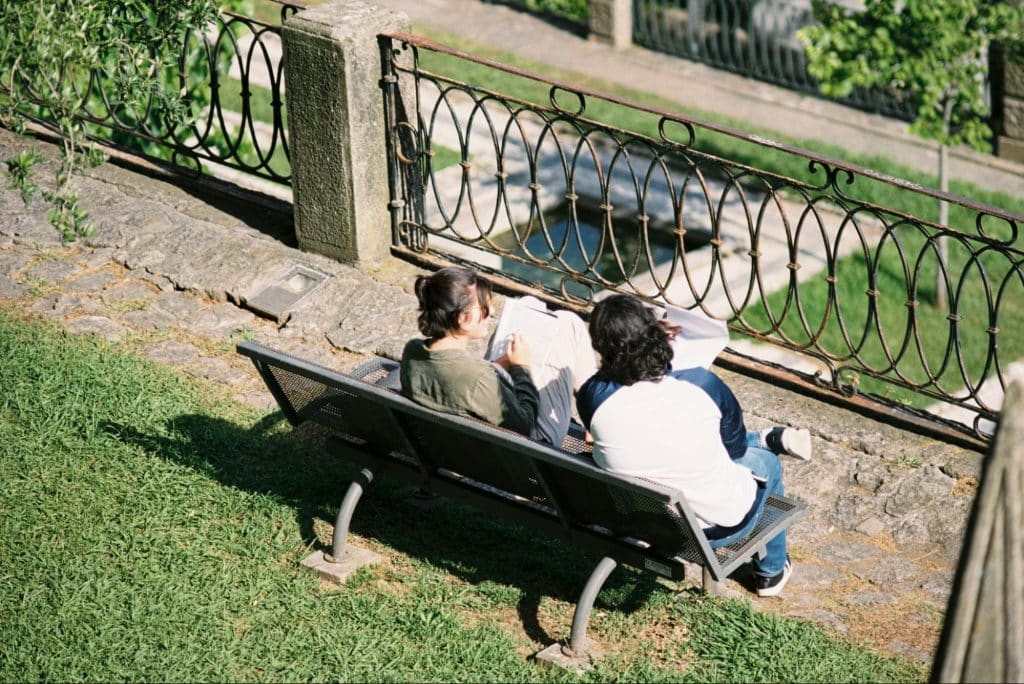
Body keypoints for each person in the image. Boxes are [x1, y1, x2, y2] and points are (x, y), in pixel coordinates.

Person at [577, 294, 807, 597]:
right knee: (767, 462)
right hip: (716, 528)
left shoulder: (592, 397)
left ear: (599, 345)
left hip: (643, 519)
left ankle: (766, 438)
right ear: (654, 336)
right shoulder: (701, 384)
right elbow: (735, 452)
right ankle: (771, 572)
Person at [400, 266, 597, 447]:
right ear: (463, 319)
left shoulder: (413, 351)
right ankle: (596, 420)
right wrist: (521, 368)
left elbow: (462, 381)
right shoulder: (478, 379)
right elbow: (525, 425)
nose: (492, 311)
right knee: (570, 322)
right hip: (531, 449)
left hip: (459, 445)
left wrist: (500, 364)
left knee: (529, 304)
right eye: (484, 308)